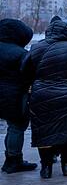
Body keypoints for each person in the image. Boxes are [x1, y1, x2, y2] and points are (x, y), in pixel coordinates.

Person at [22, 19, 67, 179]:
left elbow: (24, 70)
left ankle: (46, 168)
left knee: (44, 132)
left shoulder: (36, 47)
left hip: (42, 95)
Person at [0, 19, 38, 174]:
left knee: (12, 127)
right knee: (16, 127)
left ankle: (11, 159)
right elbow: (29, 75)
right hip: (14, 95)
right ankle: (13, 160)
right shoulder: (20, 53)